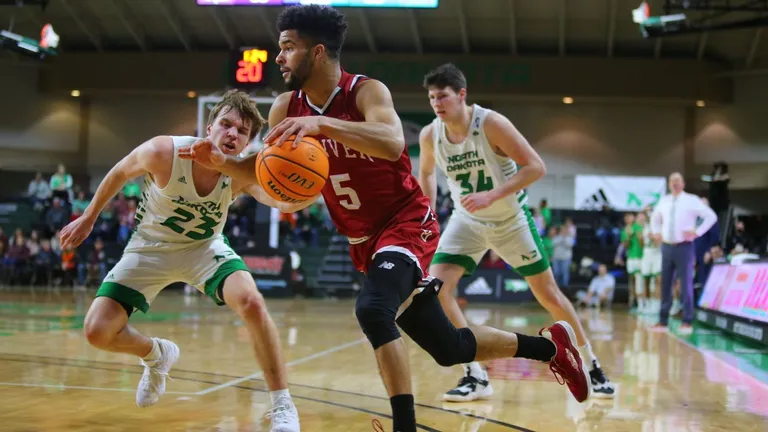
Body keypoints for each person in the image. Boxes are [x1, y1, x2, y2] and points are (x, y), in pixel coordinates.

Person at [179, 5, 591, 431]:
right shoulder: (285, 108)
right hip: (363, 241)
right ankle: (551, 349)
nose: (278, 57)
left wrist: (323, 125)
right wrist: (224, 163)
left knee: (373, 310)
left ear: (317, 52)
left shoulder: (365, 92)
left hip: (406, 221)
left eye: (287, 48)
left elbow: (394, 143)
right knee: (449, 346)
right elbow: (267, 172)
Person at [58, 90, 300, 431]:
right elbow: (119, 171)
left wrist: (308, 188)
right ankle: (156, 354)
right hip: (149, 247)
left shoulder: (244, 171)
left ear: (248, 142)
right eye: (226, 125)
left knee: (252, 303)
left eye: (242, 131)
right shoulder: (164, 151)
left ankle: (282, 404)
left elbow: (283, 202)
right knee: (96, 332)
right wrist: (88, 217)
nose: (232, 134)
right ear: (209, 126)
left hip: (204, 247)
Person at [417, 63, 614, 402]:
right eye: (432, 97)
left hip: (511, 221)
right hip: (467, 222)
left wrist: (492, 195)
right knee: (437, 290)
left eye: (443, 96)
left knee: (550, 295)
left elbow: (536, 166)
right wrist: (428, 213)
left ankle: (592, 365)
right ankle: (474, 374)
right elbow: (427, 174)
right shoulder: (430, 134)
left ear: (462, 95)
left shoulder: (489, 124)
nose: (437, 103)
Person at [649, 172, 717, 335]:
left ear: (683, 183)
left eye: (678, 181)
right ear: (669, 184)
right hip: (666, 246)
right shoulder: (664, 201)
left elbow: (711, 216)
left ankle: (687, 321)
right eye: (672, 181)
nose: (675, 183)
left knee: (686, 284)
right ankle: (663, 320)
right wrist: (656, 231)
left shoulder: (691, 200)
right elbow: (654, 217)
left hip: (684, 246)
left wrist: (698, 231)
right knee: (665, 283)